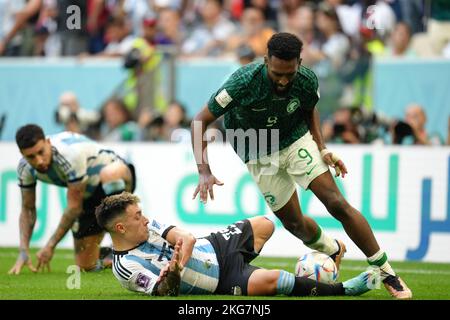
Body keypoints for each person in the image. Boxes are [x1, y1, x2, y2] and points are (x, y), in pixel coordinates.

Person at [190, 32, 412, 299]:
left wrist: (322, 147)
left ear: (299, 63)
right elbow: (199, 120)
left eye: (289, 74)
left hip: (295, 139)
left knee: (336, 203)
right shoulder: (242, 81)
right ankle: (331, 248)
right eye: (276, 74)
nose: (283, 81)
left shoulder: (306, 79)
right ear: (265, 61)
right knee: (293, 223)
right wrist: (204, 170)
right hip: (256, 147)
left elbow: (309, 109)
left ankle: (387, 273)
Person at [94, 192, 376, 297]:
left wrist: (178, 262)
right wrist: (173, 277)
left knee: (265, 223)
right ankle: (343, 290)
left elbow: (187, 238)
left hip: (215, 247)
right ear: (121, 228)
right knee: (278, 281)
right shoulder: (126, 268)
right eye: (137, 216)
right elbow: (163, 292)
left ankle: (332, 249)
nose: (144, 219)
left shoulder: (147, 225)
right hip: (221, 279)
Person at [8, 124, 136, 274]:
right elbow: (28, 209)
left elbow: (74, 207)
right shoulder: (24, 168)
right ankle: (107, 254)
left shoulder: (69, 155)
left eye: (41, 152)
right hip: (89, 195)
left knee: (110, 174)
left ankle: (133, 245)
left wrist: (50, 246)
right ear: (22, 154)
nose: (39, 161)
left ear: (48, 143)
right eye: (31, 157)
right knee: (85, 266)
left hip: (118, 175)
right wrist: (23, 250)